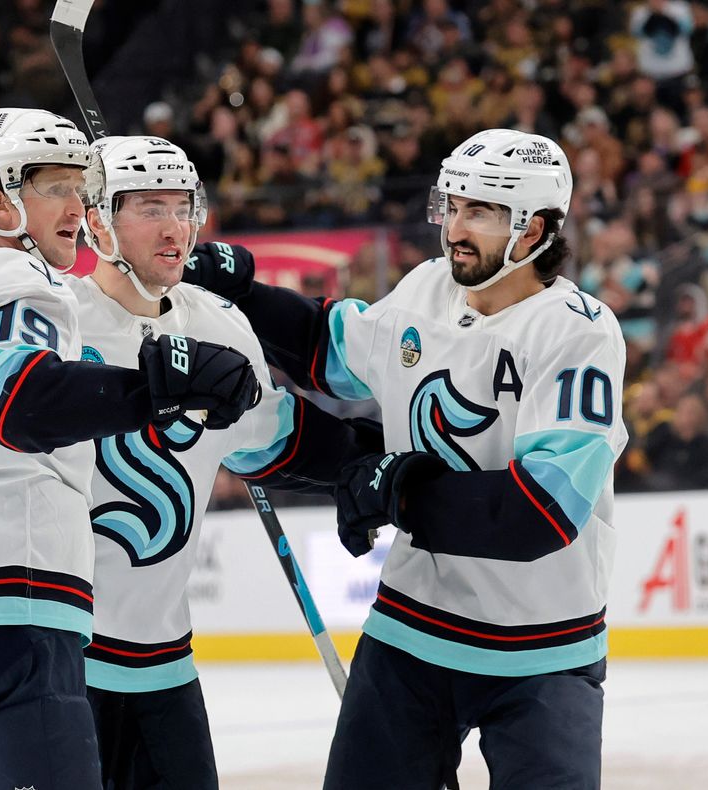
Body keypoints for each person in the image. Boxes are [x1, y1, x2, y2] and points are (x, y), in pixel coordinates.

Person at [0, 132, 377, 789]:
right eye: (150, 208)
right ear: (100, 223)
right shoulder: (47, 305)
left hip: (160, 665)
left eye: (183, 207)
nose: (175, 228)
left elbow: (281, 437)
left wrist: (385, 469)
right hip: (54, 648)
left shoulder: (218, 327)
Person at [183, 129, 628, 789]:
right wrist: (241, 290)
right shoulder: (428, 288)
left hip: (542, 649)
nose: (455, 229)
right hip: (412, 630)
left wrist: (401, 491)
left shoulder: (577, 332)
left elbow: (541, 515)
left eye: (479, 212)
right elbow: (326, 350)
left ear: (533, 230)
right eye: (452, 206)